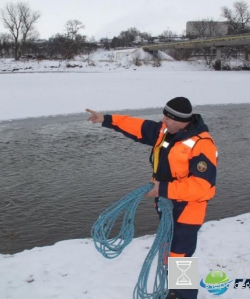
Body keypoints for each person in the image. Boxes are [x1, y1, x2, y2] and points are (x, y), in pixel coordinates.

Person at [86, 97, 218, 299]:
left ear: (181, 120)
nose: (163, 120)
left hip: (187, 211)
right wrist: (105, 119)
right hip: (167, 206)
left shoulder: (202, 144)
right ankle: (172, 290)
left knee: (180, 257)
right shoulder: (166, 132)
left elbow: (202, 188)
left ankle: (184, 295)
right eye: (163, 115)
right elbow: (137, 126)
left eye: (168, 117)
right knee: (168, 250)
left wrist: (162, 189)